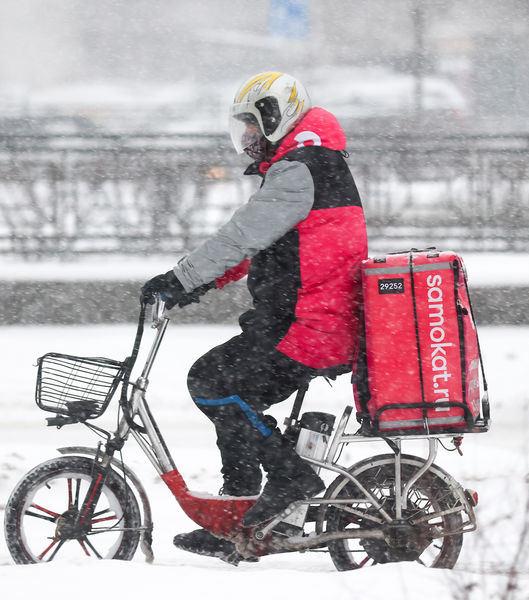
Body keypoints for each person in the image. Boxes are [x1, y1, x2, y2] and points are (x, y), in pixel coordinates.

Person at [141, 71, 368, 559]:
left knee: (212, 382)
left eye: (251, 125)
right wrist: (205, 281)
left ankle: (289, 478)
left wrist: (180, 279)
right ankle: (241, 511)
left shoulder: (303, 167)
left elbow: (241, 234)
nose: (245, 138)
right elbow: (263, 241)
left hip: (311, 324)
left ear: (276, 117)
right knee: (226, 386)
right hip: (306, 319)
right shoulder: (307, 162)